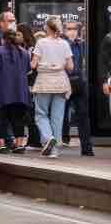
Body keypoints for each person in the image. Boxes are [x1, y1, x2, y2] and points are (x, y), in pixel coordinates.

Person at [31, 16, 74, 158]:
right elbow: (70, 67)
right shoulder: (64, 44)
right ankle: (54, 151)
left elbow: (33, 65)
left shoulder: (41, 42)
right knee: (58, 116)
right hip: (61, 82)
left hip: (44, 81)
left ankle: (48, 137)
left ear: (47, 27)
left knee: (41, 113)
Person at [0, 28, 32, 154]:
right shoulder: (24, 53)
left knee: (3, 117)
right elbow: (28, 70)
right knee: (18, 118)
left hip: (3, 90)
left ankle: (2, 145)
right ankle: (19, 145)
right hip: (21, 92)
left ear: (3, 39)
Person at [61, 20, 94, 156]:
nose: (72, 31)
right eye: (69, 28)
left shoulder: (81, 45)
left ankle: (86, 148)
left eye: (75, 29)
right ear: (64, 30)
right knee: (61, 114)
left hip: (79, 82)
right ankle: (62, 140)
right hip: (64, 82)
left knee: (83, 115)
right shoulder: (62, 44)